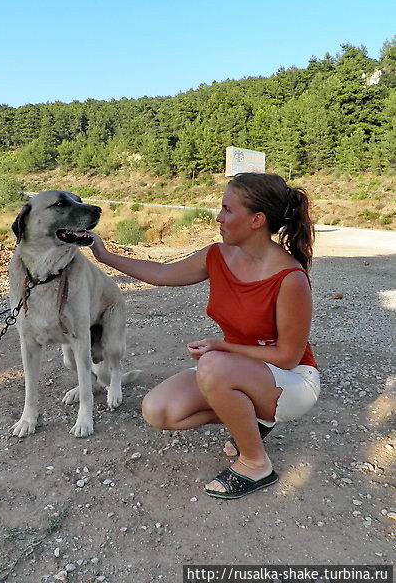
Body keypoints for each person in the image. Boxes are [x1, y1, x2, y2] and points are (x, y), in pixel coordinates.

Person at [89, 172, 320, 500]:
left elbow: (288, 357)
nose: (218, 217)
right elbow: (162, 273)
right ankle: (253, 421)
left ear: (257, 220)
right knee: (159, 410)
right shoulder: (217, 255)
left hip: (291, 382)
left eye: (227, 209)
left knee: (212, 365)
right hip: (236, 369)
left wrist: (221, 347)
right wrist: (104, 255)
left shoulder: (289, 278)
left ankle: (255, 463)